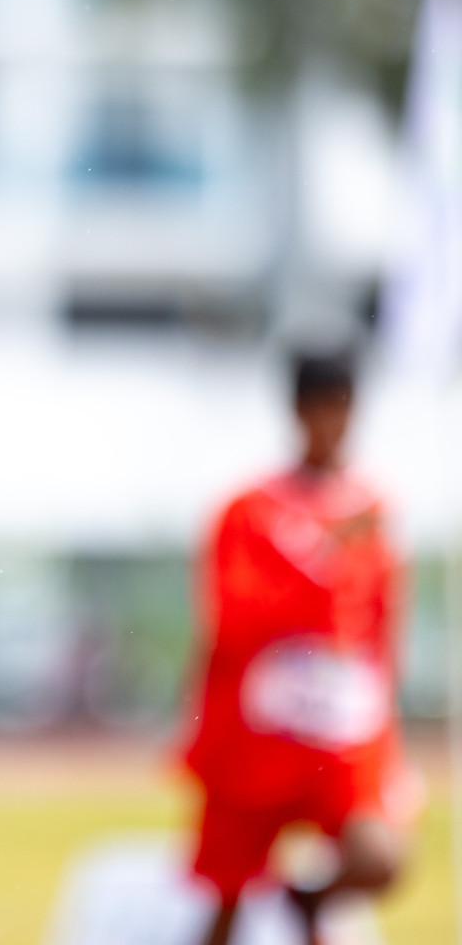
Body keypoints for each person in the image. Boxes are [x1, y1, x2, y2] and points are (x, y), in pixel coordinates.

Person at [182, 352, 417, 945]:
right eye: (320, 407)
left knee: (380, 858)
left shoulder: (372, 509)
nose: (332, 423)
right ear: (295, 411)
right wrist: (317, 556)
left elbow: (383, 634)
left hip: (343, 738)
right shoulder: (249, 509)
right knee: (225, 905)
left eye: (342, 407)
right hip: (257, 733)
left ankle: (307, 901)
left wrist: (392, 741)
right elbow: (231, 619)